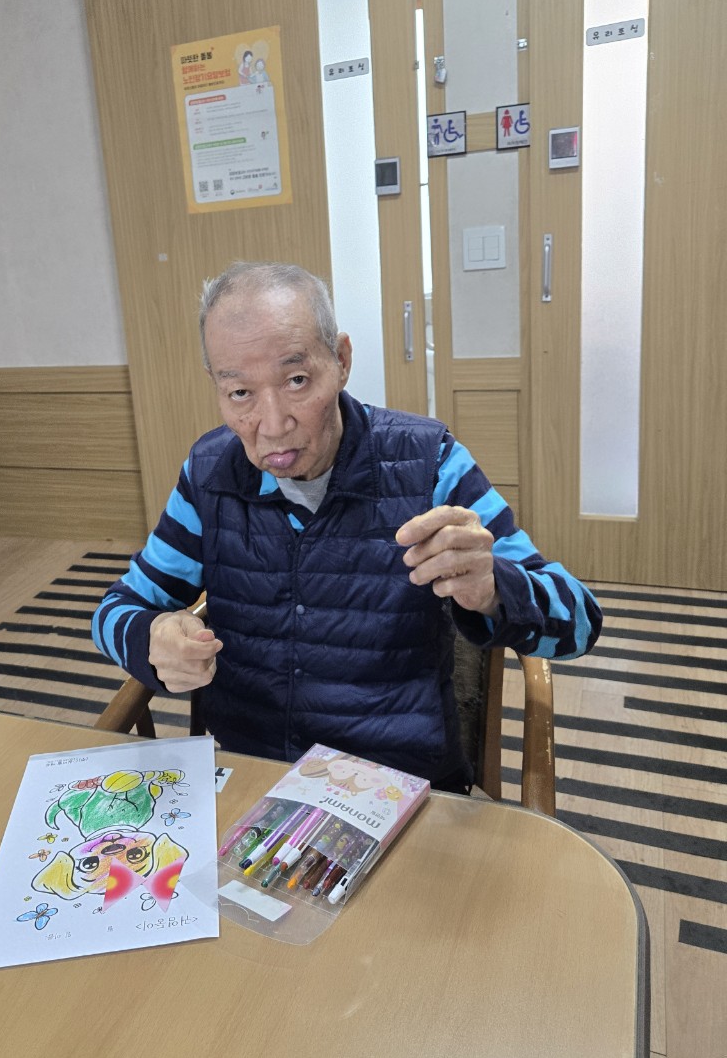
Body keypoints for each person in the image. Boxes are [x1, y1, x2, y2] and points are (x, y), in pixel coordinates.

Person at [93, 262, 601, 790]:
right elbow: (115, 608)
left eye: (296, 380)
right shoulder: (209, 473)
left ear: (340, 360)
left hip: (397, 783)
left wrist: (495, 588)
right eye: (240, 393)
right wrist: (150, 640)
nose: (273, 424)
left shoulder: (429, 464)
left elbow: (581, 623)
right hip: (255, 777)